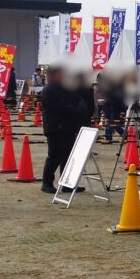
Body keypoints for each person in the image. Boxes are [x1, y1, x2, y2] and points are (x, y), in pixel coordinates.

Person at [38, 65, 91, 193]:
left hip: (68, 127)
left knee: (68, 156)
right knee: (54, 156)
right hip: (56, 127)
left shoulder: (66, 87)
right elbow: (60, 106)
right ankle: (47, 182)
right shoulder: (49, 89)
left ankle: (67, 183)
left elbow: (78, 99)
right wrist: (76, 109)